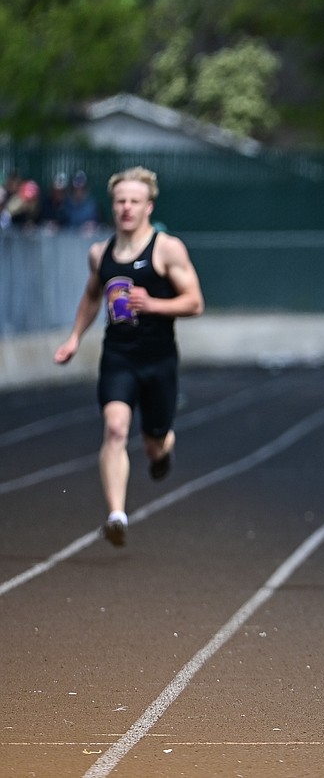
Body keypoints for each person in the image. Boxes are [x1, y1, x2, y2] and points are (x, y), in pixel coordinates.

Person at [54, 167, 205, 547]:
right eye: (120, 201)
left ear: (148, 206)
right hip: (118, 355)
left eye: (134, 201)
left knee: (153, 441)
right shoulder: (99, 253)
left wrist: (153, 303)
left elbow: (195, 302)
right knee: (116, 427)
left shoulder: (167, 248)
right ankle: (117, 515)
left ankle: (162, 450)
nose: (126, 208)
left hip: (158, 359)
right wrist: (74, 338)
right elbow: (92, 296)